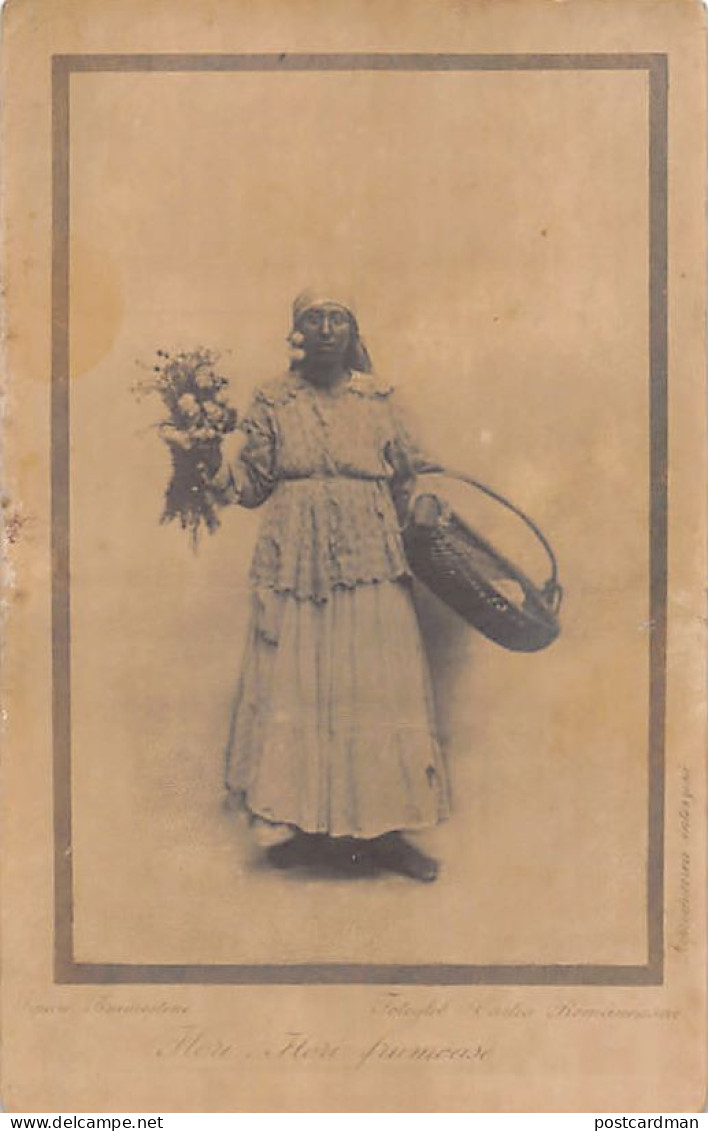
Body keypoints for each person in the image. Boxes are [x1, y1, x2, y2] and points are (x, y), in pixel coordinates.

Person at [215, 290, 449, 882]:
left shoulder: (379, 398)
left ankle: (387, 831)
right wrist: (200, 459)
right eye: (313, 319)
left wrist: (419, 508)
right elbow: (252, 485)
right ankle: (306, 825)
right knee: (301, 682)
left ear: (352, 329)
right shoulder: (273, 399)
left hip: (369, 555)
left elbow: (412, 477)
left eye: (337, 318)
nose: (325, 330)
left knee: (375, 686)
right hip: (297, 559)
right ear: (296, 331)